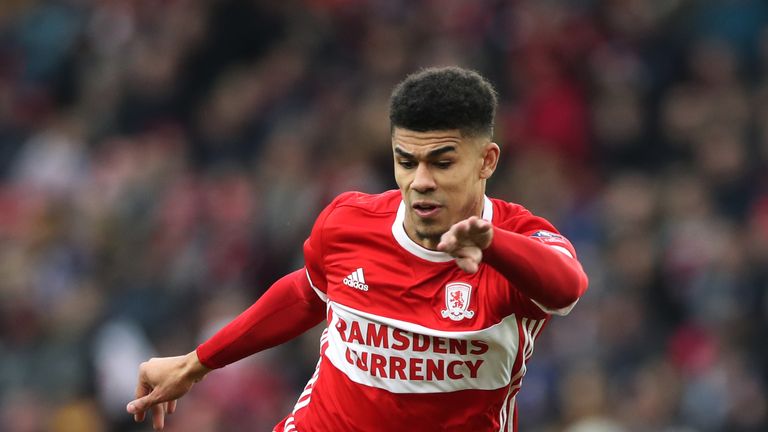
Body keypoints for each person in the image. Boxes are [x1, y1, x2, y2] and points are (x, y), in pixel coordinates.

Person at [126, 66, 589, 431]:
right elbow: (308, 293)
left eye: (442, 162)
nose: (421, 182)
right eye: (405, 161)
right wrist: (196, 363)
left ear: (486, 160)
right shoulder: (349, 221)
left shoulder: (518, 244)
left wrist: (491, 244)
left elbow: (567, 287)